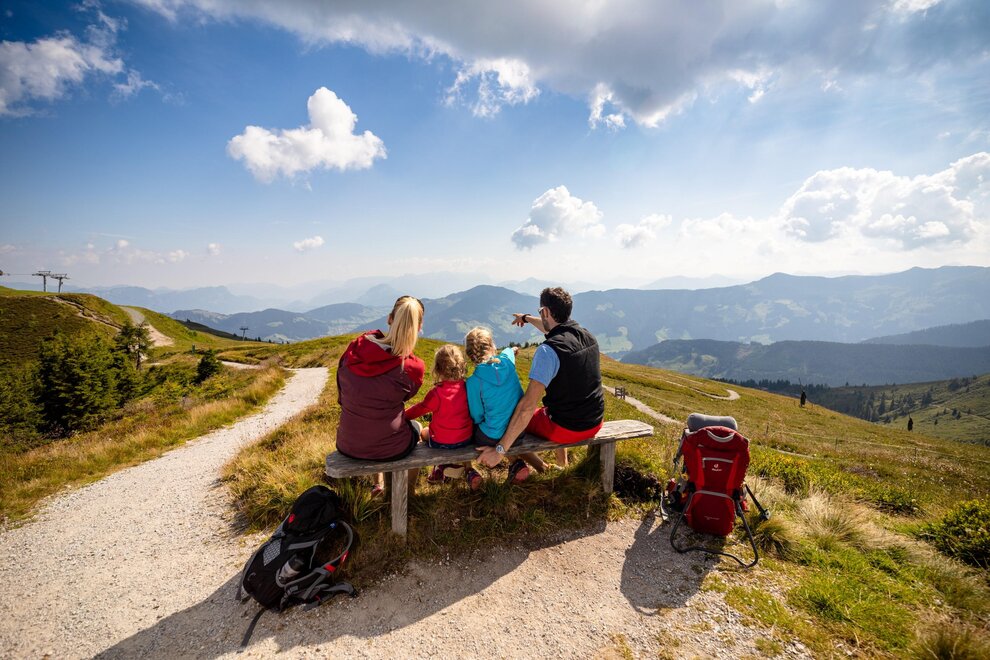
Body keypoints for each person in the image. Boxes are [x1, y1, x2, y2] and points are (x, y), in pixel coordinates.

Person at [477, 287, 605, 474]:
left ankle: (542, 468)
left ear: (545, 311)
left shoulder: (548, 351)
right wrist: (526, 318)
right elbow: (551, 327)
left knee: (508, 419)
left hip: (567, 428)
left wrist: (499, 451)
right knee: (559, 403)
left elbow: (527, 407)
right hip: (594, 422)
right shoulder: (587, 336)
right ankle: (562, 464)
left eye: (540, 311)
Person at [336, 296, 426, 494]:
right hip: (390, 447)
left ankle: (379, 484)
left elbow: (342, 392)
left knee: (372, 424)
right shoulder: (412, 368)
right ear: (419, 327)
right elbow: (406, 397)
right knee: (416, 427)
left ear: (389, 318)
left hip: (348, 442)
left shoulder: (355, 350)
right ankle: (407, 493)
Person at [404, 344, 481, 490]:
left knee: (424, 432)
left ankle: (440, 469)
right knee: (456, 437)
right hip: (466, 439)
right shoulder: (467, 388)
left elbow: (420, 409)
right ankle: (469, 472)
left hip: (440, 442)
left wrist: (403, 415)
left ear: (438, 369)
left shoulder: (436, 393)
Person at [464, 327, 529, 484]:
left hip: (491, 436)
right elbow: (510, 351)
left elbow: (477, 415)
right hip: (519, 431)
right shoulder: (507, 361)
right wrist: (514, 349)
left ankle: (468, 470)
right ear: (493, 345)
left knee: (467, 430)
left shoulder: (473, 382)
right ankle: (516, 464)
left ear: (469, 355)